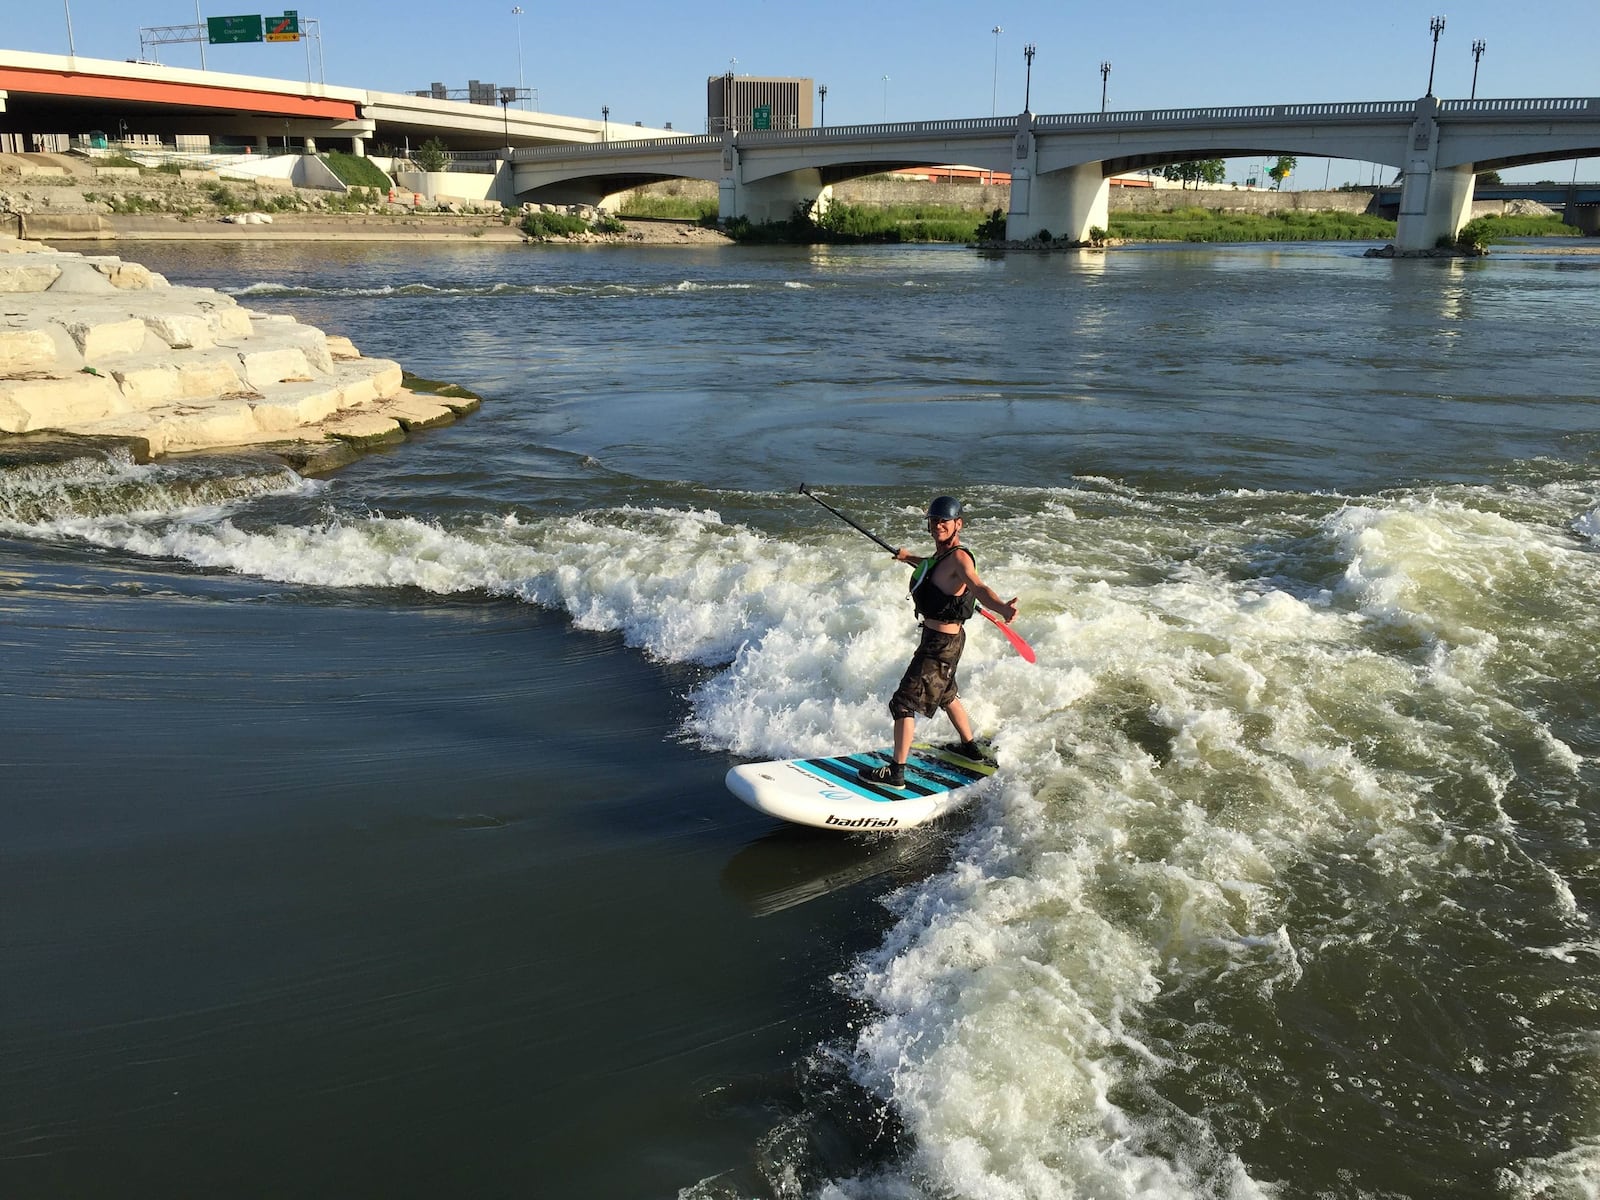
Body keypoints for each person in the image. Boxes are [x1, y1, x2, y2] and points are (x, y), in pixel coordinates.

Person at [857, 495, 1019, 789]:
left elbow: (979, 587)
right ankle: (970, 748)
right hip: (941, 640)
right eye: (933, 521)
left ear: (958, 524)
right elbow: (930, 567)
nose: (938, 526)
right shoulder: (941, 557)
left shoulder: (960, 558)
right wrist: (908, 558)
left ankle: (897, 772)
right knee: (946, 694)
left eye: (944, 521)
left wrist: (1004, 608)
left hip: (941, 645)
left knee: (903, 703)